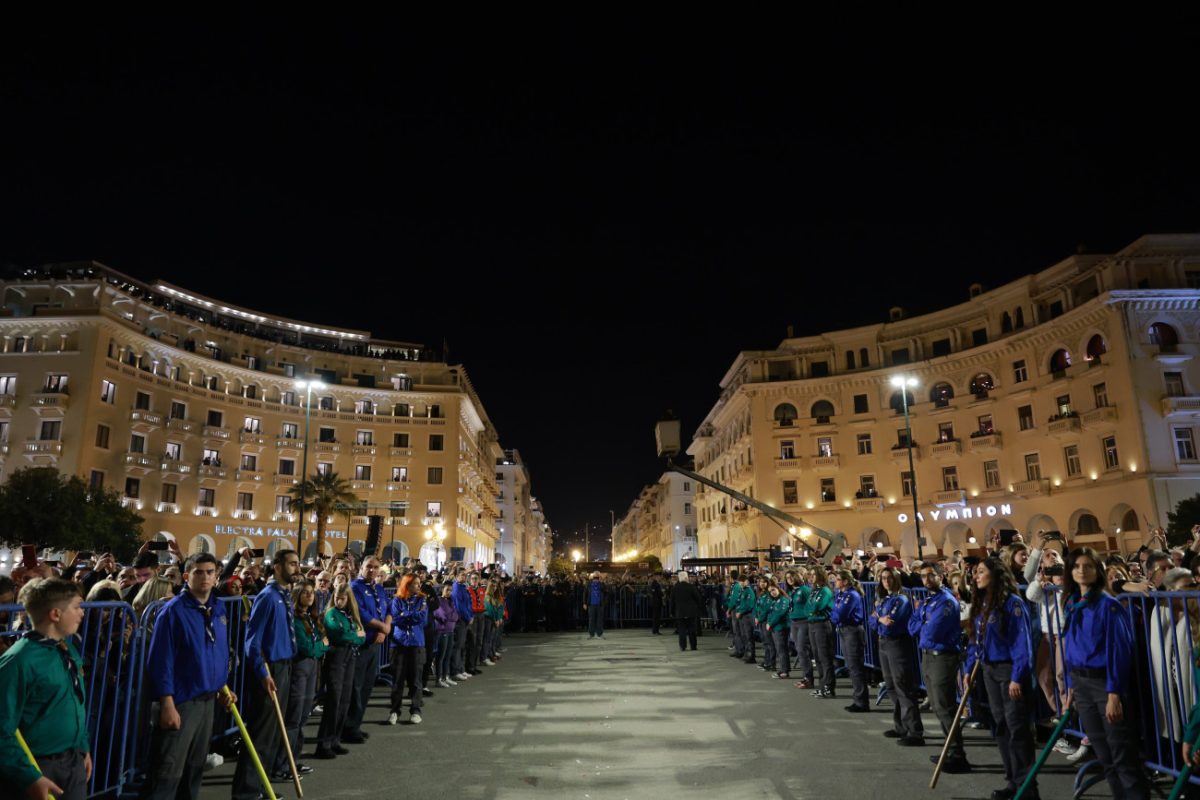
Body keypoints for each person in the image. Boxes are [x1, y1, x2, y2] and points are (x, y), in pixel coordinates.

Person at [142, 553, 238, 800]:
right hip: (181, 701)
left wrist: (221, 686)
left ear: (217, 576)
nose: (204, 577)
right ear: (186, 576)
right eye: (198, 572)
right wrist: (166, 703)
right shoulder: (173, 612)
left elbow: (216, 652)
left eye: (209, 572)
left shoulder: (218, 608)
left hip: (207, 701)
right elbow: (160, 662)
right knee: (167, 773)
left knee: (193, 771)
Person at [1061, 547, 1149, 799]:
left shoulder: (1108, 605)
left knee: (1123, 756)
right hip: (1081, 683)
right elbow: (1071, 647)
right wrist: (1070, 686)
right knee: (1105, 757)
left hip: (1104, 685)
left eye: (1087, 566)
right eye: (1076, 566)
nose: (1081, 570)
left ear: (1097, 571)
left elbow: (1119, 651)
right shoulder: (1071, 603)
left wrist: (1113, 693)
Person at [0, 578, 90, 800]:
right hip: (36, 767)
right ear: (55, 614)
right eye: (77, 607)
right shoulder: (18, 661)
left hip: (72, 762)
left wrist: (82, 746)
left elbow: (75, 701)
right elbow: (2, 728)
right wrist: (29, 776)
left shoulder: (66, 648)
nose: (82, 613)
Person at [230, 549, 300, 800]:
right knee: (261, 732)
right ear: (278, 567)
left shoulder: (284, 595)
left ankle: (261, 788)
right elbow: (252, 640)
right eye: (292, 564)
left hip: (284, 665)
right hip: (270, 669)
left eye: (297, 564)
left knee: (272, 734)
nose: (296, 568)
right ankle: (246, 792)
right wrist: (262, 672)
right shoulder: (268, 597)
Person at [966, 557, 1036, 800]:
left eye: (981, 572)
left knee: (1017, 728)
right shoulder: (983, 603)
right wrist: (968, 668)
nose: (976, 576)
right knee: (1001, 727)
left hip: (1009, 671)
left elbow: (1021, 643)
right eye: (976, 573)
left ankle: (1027, 786)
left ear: (995, 574)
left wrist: (1017, 676)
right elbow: (976, 640)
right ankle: (1013, 781)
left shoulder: (1012, 603)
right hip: (988, 671)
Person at [910, 562, 971, 773]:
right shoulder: (929, 600)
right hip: (928, 655)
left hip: (942, 656)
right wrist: (923, 623)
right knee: (937, 706)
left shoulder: (946, 601)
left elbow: (933, 632)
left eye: (930, 576)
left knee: (944, 706)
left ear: (940, 576)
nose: (926, 580)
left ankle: (957, 753)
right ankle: (950, 749)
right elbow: (913, 626)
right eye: (923, 577)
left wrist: (923, 623)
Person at [274, 579, 325, 781]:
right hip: (299, 669)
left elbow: (318, 645)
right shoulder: (294, 619)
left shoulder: (310, 618)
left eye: (311, 592)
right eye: (305, 592)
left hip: (311, 669)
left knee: (303, 717)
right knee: (293, 718)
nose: (309, 595)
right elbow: (307, 648)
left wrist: (321, 646)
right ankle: (280, 765)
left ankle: (293, 761)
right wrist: (323, 645)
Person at [312, 585, 364, 760]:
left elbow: (361, 636)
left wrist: (354, 635)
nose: (338, 601)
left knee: (344, 700)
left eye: (342, 598)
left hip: (349, 656)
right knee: (334, 700)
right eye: (336, 597)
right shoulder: (331, 614)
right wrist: (355, 635)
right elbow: (340, 635)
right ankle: (324, 743)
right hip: (336, 657)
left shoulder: (348, 615)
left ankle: (335, 740)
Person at [872, 566, 923, 743]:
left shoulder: (901, 600)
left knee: (903, 686)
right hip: (883, 643)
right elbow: (874, 620)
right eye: (883, 578)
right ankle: (901, 725)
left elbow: (890, 624)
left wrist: (878, 619)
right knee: (891, 686)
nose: (886, 581)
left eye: (890, 577)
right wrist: (879, 618)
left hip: (896, 643)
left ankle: (915, 731)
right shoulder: (885, 599)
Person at [345, 557, 390, 743]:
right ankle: (348, 728)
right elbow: (360, 613)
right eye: (369, 567)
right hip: (361, 645)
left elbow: (388, 610)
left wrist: (385, 629)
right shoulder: (355, 587)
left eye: (376, 567)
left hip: (374, 644)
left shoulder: (378, 588)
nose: (372, 570)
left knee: (366, 687)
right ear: (361, 568)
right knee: (355, 687)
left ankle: (356, 725)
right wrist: (381, 626)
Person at [387, 574, 428, 725]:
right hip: (399, 644)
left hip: (417, 643)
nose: (419, 586)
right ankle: (394, 710)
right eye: (416, 584)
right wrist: (412, 615)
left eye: (419, 583)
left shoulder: (422, 600)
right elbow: (396, 619)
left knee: (416, 680)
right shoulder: (396, 600)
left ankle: (416, 710)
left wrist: (407, 615)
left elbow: (423, 619)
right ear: (407, 585)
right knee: (397, 680)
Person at [831, 569, 868, 711]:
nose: (836, 582)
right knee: (852, 666)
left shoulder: (851, 595)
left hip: (852, 631)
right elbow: (834, 609)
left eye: (838, 579)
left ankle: (862, 702)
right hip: (844, 630)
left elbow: (839, 614)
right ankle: (858, 699)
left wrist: (834, 615)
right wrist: (834, 614)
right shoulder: (841, 594)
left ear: (845, 581)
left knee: (855, 667)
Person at [806, 566, 836, 698]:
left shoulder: (825, 591)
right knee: (817, 657)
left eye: (813, 575)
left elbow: (817, 607)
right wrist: (811, 610)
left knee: (825, 657)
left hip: (822, 625)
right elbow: (807, 608)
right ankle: (822, 686)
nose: (811, 577)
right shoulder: (814, 591)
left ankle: (829, 687)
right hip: (812, 624)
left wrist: (812, 610)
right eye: (810, 575)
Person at [432, 583, 459, 687]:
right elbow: (442, 615)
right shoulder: (438, 600)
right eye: (447, 590)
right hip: (442, 631)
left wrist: (451, 616)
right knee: (441, 656)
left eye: (450, 590)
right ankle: (438, 679)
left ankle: (445, 676)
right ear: (442, 589)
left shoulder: (450, 601)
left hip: (450, 630)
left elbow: (456, 615)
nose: (449, 592)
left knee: (448, 656)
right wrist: (451, 616)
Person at [450, 569, 474, 680]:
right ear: (456, 576)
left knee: (462, 646)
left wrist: (470, 616)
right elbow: (459, 607)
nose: (465, 577)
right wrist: (468, 617)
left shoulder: (462, 587)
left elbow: (468, 603)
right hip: (460, 620)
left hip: (465, 619)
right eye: (462, 575)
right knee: (458, 646)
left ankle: (461, 669)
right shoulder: (456, 588)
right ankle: (456, 671)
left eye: (466, 575)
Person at [671, 571, 703, 651]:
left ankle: (683, 646)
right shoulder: (691, 587)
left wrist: (672, 611)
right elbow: (698, 598)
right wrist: (698, 607)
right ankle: (693, 646)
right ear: (686, 578)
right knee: (692, 629)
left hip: (680, 612)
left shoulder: (675, 588)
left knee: (682, 630)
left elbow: (672, 601)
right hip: (691, 612)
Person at [764, 581, 790, 678]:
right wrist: (769, 622)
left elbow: (779, 613)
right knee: (780, 650)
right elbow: (771, 613)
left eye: (773, 590)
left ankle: (785, 671)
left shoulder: (783, 600)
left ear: (778, 589)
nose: (772, 592)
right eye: (770, 591)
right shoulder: (775, 601)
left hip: (781, 628)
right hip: (775, 628)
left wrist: (770, 623)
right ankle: (783, 669)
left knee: (782, 650)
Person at [733, 573, 757, 664]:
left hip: (747, 616)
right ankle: (747, 654)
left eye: (743, 581)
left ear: (746, 581)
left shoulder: (749, 591)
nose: (741, 583)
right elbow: (739, 603)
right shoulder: (743, 591)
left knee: (749, 636)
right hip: (742, 616)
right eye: (740, 582)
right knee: (744, 636)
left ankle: (752, 656)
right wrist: (738, 611)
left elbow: (749, 605)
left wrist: (740, 611)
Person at [584, 572, 606, 639]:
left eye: (597, 576)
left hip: (599, 604)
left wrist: (601, 582)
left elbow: (605, 591)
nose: (596, 578)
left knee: (599, 620)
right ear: (592, 577)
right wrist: (584, 603)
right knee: (591, 620)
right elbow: (585, 593)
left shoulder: (601, 584)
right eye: (595, 576)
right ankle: (591, 634)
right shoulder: (589, 584)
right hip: (591, 604)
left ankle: (600, 634)